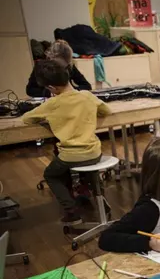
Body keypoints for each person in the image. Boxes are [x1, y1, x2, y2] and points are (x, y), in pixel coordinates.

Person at [22, 60, 109, 225]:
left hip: (70, 156)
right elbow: (106, 110)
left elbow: (27, 119)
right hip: (94, 153)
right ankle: (98, 199)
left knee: (51, 175)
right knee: (89, 167)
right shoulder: (87, 96)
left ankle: (72, 212)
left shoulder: (52, 103)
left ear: (52, 88)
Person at [26, 40, 91, 98]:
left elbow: (86, 85)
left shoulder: (69, 66)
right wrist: (49, 93)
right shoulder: (40, 67)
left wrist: (71, 90)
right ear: (51, 58)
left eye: (64, 65)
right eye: (58, 65)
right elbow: (30, 90)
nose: (61, 68)